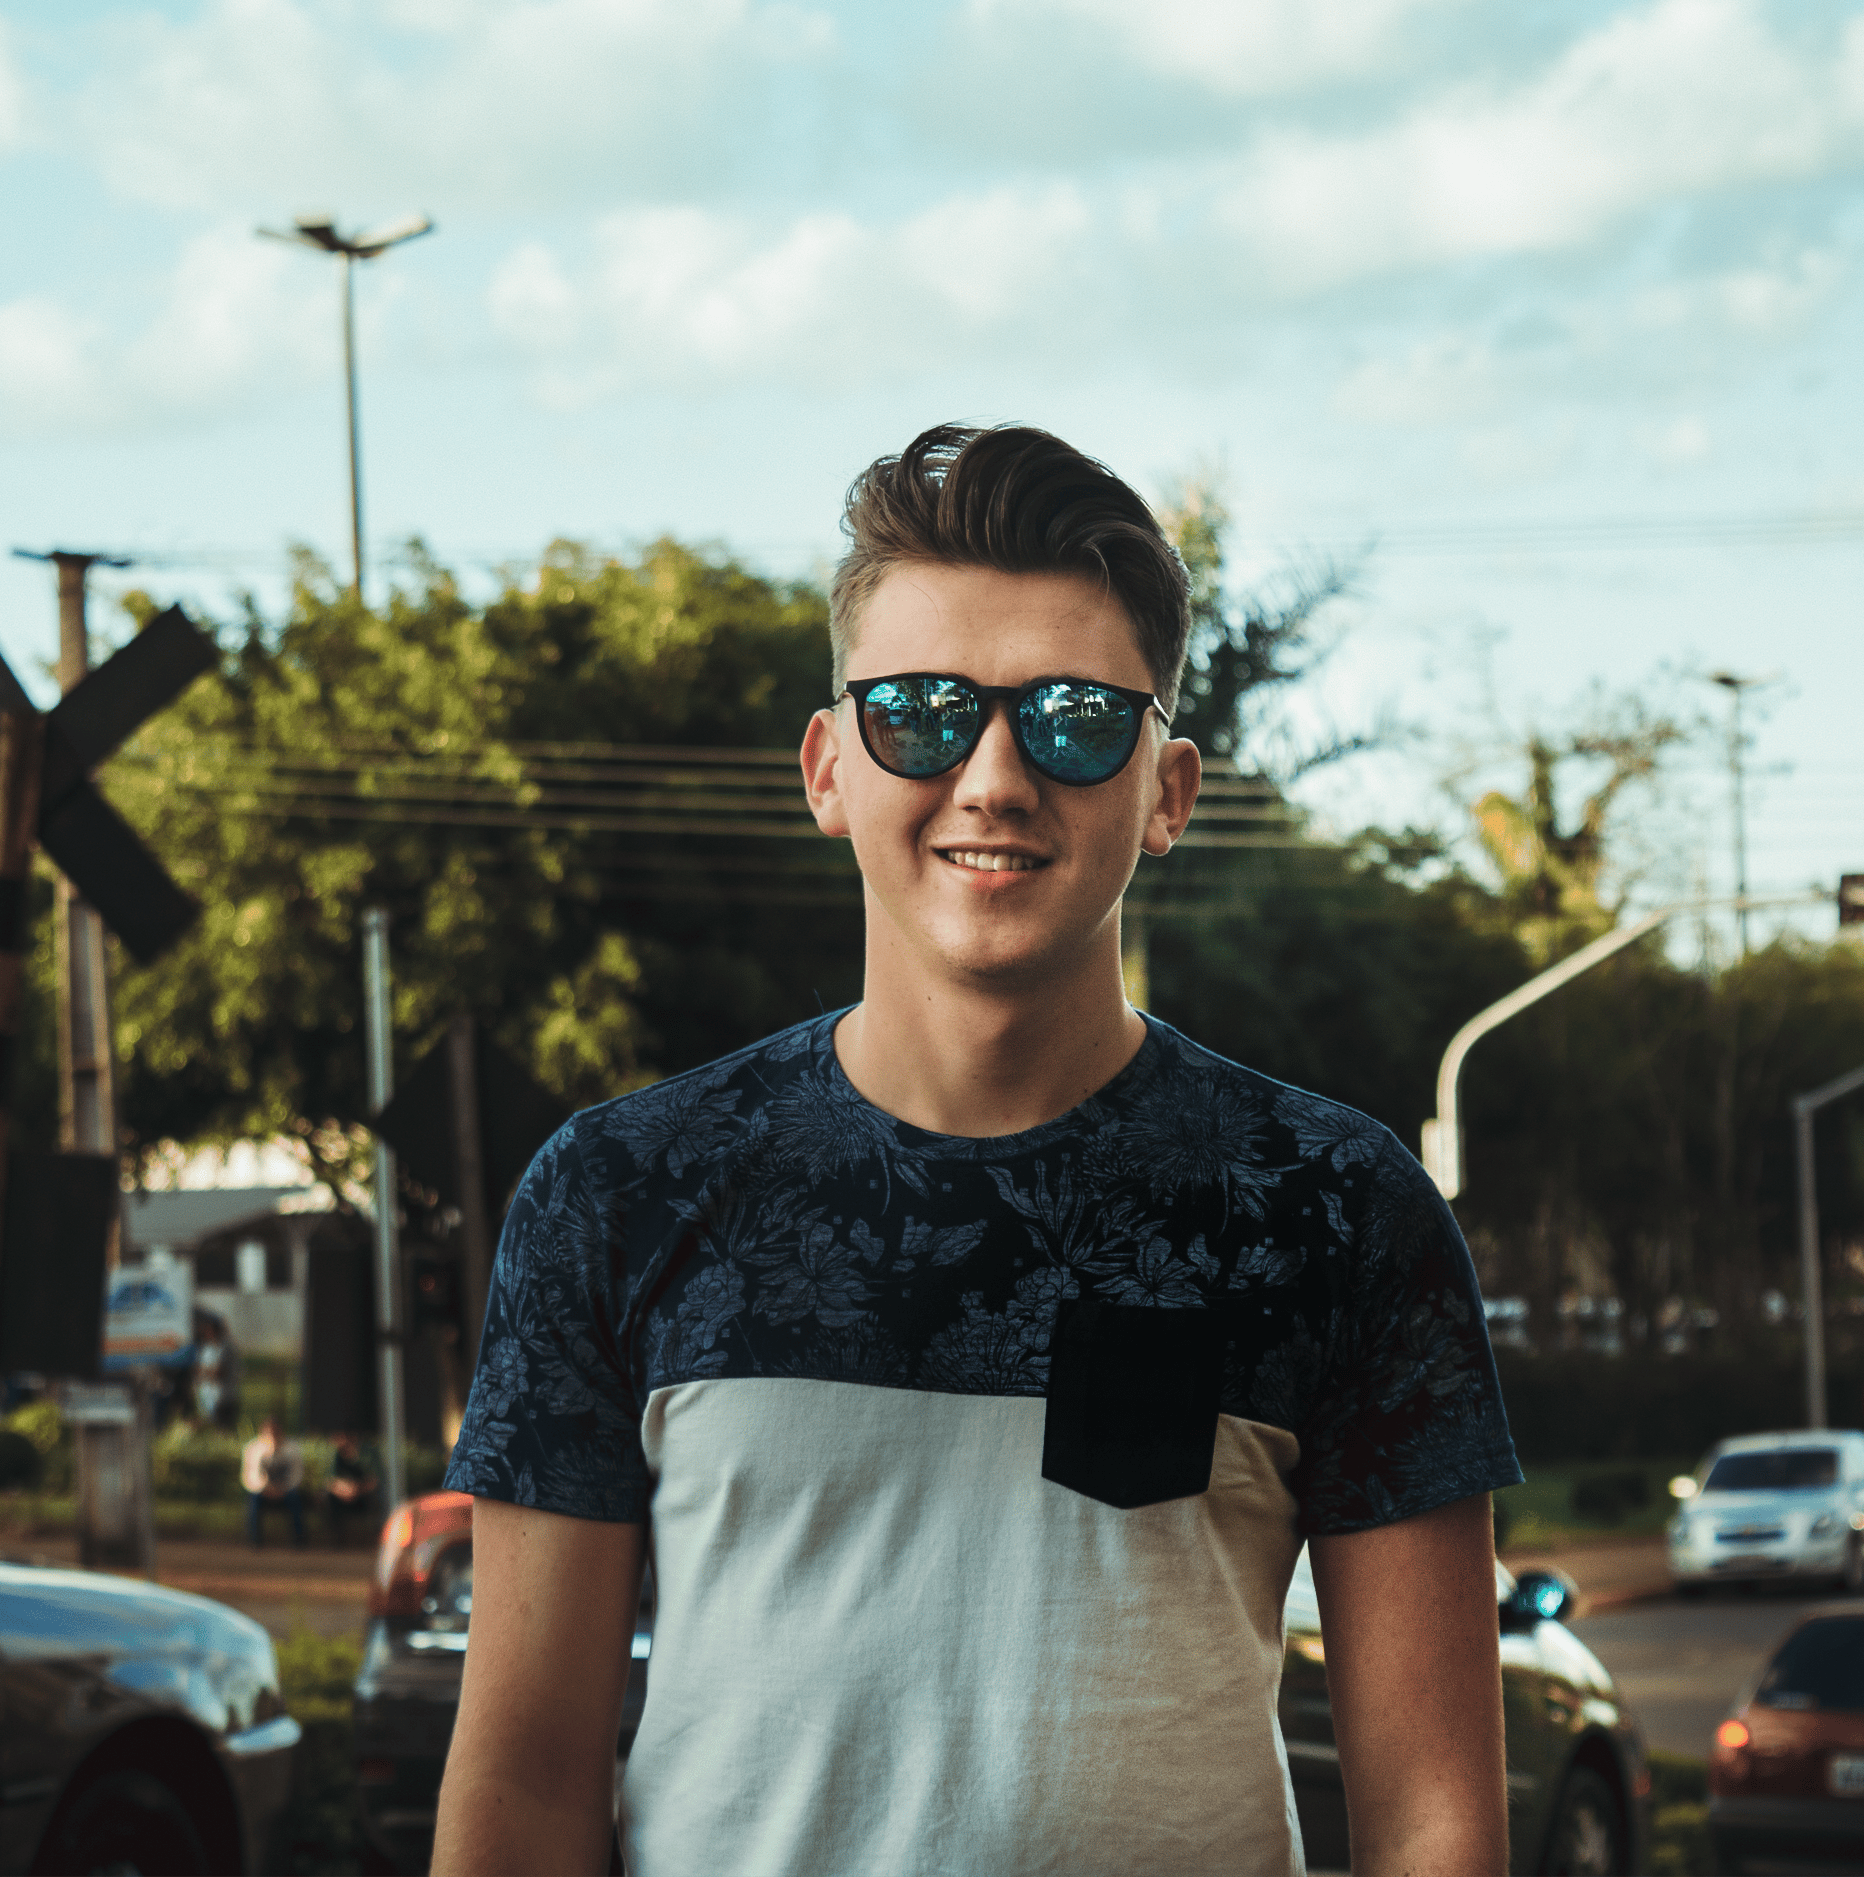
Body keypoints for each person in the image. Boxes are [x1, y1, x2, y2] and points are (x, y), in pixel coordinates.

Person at [433, 425, 1520, 1877]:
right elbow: (519, 1785)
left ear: (1169, 788)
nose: (994, 775)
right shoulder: (618, 1193)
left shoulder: (1330, 1206)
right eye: (923, 712)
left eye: (1073, 717)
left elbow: (1433, 1820)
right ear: (827, 767)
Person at [240, 1415, 307, 1550]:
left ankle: (299, 1541)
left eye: (276, 1432)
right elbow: (249, 1477)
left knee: (295, 1499)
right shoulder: (252, 1449)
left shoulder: (293, 1449)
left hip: (286, 1491)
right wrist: (265, 1488)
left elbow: (297, 1475)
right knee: (253, 1501)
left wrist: (283, 1489)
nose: (272, 1436)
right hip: (262, 1492)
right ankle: (255, 1541)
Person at [323, 1432, 372, 1544]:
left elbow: (374, 1480)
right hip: (340, 1495)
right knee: (329, 1498)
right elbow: (329, 1481)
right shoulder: (335, 1456)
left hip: (362, 1495)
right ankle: (336, 1541)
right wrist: (344, 1492)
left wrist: (356, 1491)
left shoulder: (367, 1453)